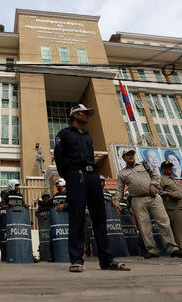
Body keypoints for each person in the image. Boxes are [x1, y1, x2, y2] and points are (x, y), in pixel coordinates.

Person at [54, 104, 130, 272]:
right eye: (85, 113)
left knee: (99, 217)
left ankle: (106, 260)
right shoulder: (64, 134)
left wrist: (93, 175)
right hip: (76, 176)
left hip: (92, 177)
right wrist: (70, 176)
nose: (88, 116)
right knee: (77, 217)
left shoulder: (88, 136)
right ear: (75, 114)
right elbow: (58, 158)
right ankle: (76, 259)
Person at [114, 148, 182, 259]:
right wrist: (116, 201)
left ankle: (173, 248)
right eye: (127, 154)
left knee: (164, 222)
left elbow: (156, 175)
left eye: (132, 154)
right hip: (137, 200)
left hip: (153, 197)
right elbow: (119, 189)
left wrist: (153, 186)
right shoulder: (122, 173)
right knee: (144, 226)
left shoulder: (144, 164)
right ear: (123, 158)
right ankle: (152, 250)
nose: (130, 156)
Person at [159, 161, 182, 256]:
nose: (169, 169)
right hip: (173, 207)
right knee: (180, 230)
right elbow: (159, 191)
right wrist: (169, 194)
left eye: (170, 168)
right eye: (166, 168)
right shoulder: (161, 179)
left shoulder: (174, 179)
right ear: (162, 169)